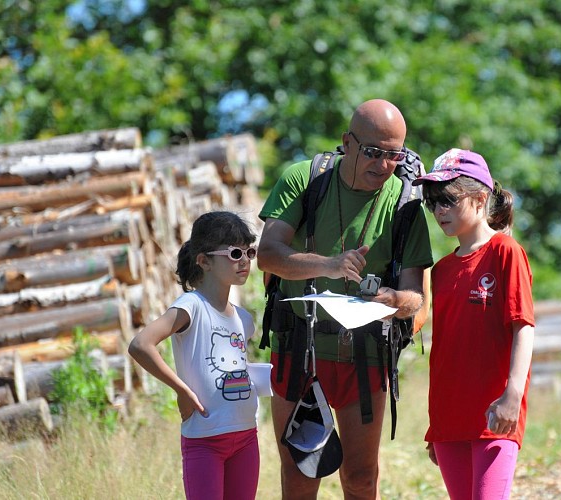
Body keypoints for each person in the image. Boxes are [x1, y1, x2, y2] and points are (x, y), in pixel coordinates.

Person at [257, 98, 433, 499]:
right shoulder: (305, 179)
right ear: (347, 143)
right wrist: (330, 265)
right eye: (373, 153)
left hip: (366, 355)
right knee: (300, 476)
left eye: (394, 155)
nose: (384, 165)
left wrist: (393, 300)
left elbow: (416, 296)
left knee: (361, 478)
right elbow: (267, 255)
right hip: (300, 349)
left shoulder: (405, 203)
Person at [415, 149, 535, 499]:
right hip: (449, 419)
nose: (439, 210)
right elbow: (446, 349)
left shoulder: (505, 252)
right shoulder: (441, 270)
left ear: (480, 198)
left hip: (495, 415)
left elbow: (523, 327)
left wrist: (513, 394)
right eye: (432, 201)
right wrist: (437, 426)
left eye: (448, 199)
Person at [128, 211, 261, 500]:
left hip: (246, 436)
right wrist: (182, 390)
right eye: (235, 252)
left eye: (249, 251)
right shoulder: (191, 306)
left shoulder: (243, 319)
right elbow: (141, 344)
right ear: (204, 261)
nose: (245, 260)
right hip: (205, 440)